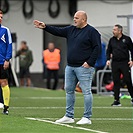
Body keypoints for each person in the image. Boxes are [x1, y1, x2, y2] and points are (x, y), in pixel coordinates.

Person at [34, 10, 101, 124]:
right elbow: (57, 31)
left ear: (84, 19)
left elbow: (97, 48)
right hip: (70, 67)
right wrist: (45, 27)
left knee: (86, 91)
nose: (74, 19)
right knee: (69, 90)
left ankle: (87, 117)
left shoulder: (92, 32)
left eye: (77, 18)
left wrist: (90, 62)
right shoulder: (71, 30)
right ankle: (69, 116)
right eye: (74, 17)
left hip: (84, 68)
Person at [106, 24, 133, 106]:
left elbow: (132, 50)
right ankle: (116, 100)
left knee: (128, 80)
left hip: (125, 63)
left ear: (119, 31)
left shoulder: (127, 39)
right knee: (116, 81)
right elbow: (108, 51)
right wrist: (108, 59)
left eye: (114, 30)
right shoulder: (111, 40)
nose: (113, 31)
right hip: (115, 63)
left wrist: (132, 60)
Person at [0, 9, 12, 115]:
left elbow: (9, 45)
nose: (0, 18)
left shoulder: (5, 30)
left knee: (4, 83)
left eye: (1, 16)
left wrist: (7, 59)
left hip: (1, 61)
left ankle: (6, 107)